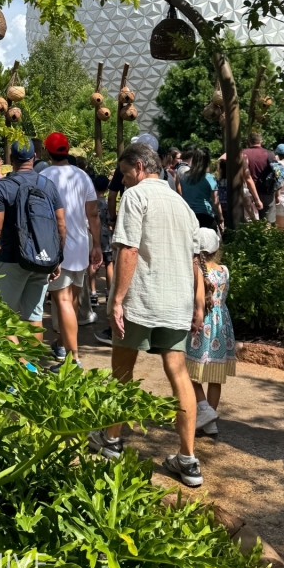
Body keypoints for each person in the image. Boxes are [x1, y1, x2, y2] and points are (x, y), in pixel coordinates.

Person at [88, 142, 206, 488]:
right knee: (179, 374)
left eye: (125, 174)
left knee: (122, 370)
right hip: (177, 301)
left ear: (139, 167)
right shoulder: (182, 205)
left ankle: (111, 440)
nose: (123, 182)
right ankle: (188, 459)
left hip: (142, 299)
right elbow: (195, 260)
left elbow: (129, 249)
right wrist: (198, 307)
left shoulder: (137, 197)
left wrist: (117, 299)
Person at [0, 139, 65, 335]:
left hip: (12, 259)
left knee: (0, 317)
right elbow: (61, 225)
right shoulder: (48, 185)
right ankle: (31, 365)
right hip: (42, 259)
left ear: (11, 159)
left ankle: (21, 364)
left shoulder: (4, 186)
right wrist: (57, 259)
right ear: (34, 157)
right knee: (34, 317)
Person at [40, 132, 102, 366]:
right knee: (72, 300)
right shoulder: (82, 176)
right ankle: (64, 346)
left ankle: (72, 358)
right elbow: (93, 214)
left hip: (58, 246)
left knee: (63, 301)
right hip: (80, 245)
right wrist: (96, 244)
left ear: (47, 152)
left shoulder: (44, 176)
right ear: (67, 150)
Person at [186, 228, 236, 437]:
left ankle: (204, 409)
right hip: (222, 326)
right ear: (217, 249)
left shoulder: (194, 270)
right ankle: (210, 421)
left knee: (189, 372)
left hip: (202, 324)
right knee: (215, 376)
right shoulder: (224, 270)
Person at [179, 148, 224, 231]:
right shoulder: (210, 178)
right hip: (206, 216)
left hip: (189, 215)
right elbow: (215, 202)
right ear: (207, 162)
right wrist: (221, 218)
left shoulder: (184, 177)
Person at [241, 131, 278, 222]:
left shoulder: (242, 154)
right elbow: (277, 175)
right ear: (261, 141)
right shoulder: (270, 154)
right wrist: (277, 194)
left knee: (250, 223)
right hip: (267, 193)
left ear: (248, 141)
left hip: (248, 194)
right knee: (267, 224)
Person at [91, 174, 113, 305]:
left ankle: (93, 292)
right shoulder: (106, 203)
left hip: (94, 234)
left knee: (93, 264)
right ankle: (109, 291)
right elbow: (110, 218)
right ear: (106, 189)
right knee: (109, 263)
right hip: (106, 235)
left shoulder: (91, 203)